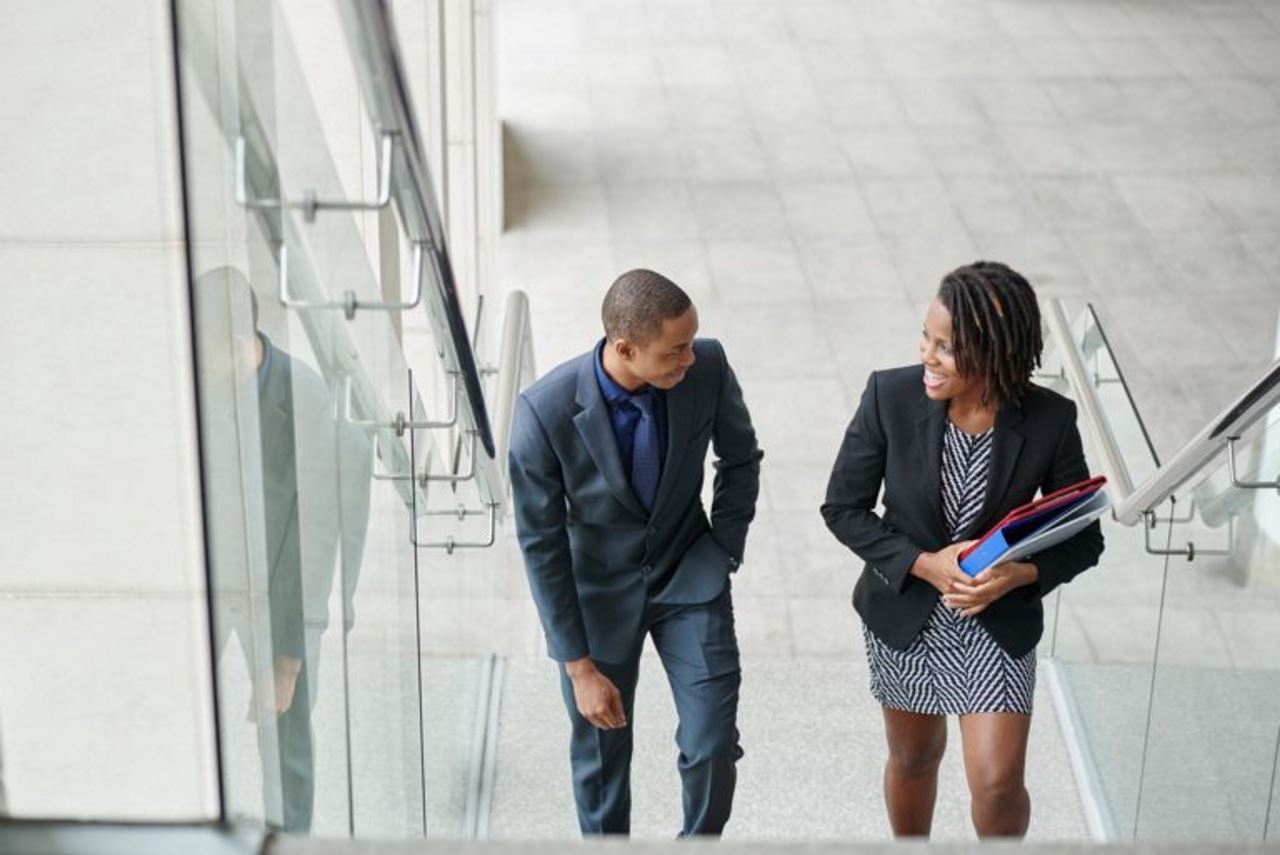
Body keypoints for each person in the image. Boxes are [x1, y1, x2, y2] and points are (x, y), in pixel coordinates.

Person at [820, 261, 1104, 839]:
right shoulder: (889, 395)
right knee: (915, 759)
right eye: (927, 337)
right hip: (908, 614)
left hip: (995, 622)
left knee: (998, 786)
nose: (927, 354)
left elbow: (1085, 538)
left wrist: (1020, 575)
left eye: (946, 347)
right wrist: (926, 564)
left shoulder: (1050, 420)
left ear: (994, 352)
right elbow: (843, 508)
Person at [508, 269, 763, 837]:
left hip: (690, 578)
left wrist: (723, 548)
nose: (689, 359)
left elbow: (741, 460)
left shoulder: (708, 367)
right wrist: (578, 668)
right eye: (675, 351)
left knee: (712, 746)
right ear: (624, 348)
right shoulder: (541, 416)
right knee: (601, 762)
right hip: (597, 599)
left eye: (691, 343)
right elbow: (542, 546)